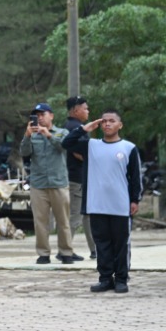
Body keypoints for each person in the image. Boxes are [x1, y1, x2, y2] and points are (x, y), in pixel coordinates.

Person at [64, 109, 142, 293]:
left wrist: (135, 199)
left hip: (120, 205)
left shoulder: (129, 148)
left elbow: (135, 177)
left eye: (112, 121)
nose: (107, 124)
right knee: (102, 243)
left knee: (121, 244)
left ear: (120, 125)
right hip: (97, 204)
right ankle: (105, 278)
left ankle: (121, 278)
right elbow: (66, 143)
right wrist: (84, 129)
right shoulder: (90, 145)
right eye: (104, 121)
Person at [20, 103, 78, 265]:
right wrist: (27, 135)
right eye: (36, 115)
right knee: (40, 222)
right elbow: (24, 153)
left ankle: (66, 252)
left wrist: (49, 135)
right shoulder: (32, 134)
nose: (39, 117)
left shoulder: (62, 132)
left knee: (63, 221)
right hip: (39, 184)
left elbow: (64, 147)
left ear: (51, 116)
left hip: (59, 183)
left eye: (42, 114)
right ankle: (43, 253)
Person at [63, 96, 97, 260]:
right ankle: (65, 250)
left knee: (87, 215)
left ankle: (95, 249)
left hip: (81, 176)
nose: (87, 111)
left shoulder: (74, 126)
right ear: (76, 110)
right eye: (85, 108)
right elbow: (78, 152)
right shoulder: (75, 128)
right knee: (76, 215)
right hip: (76, 177)